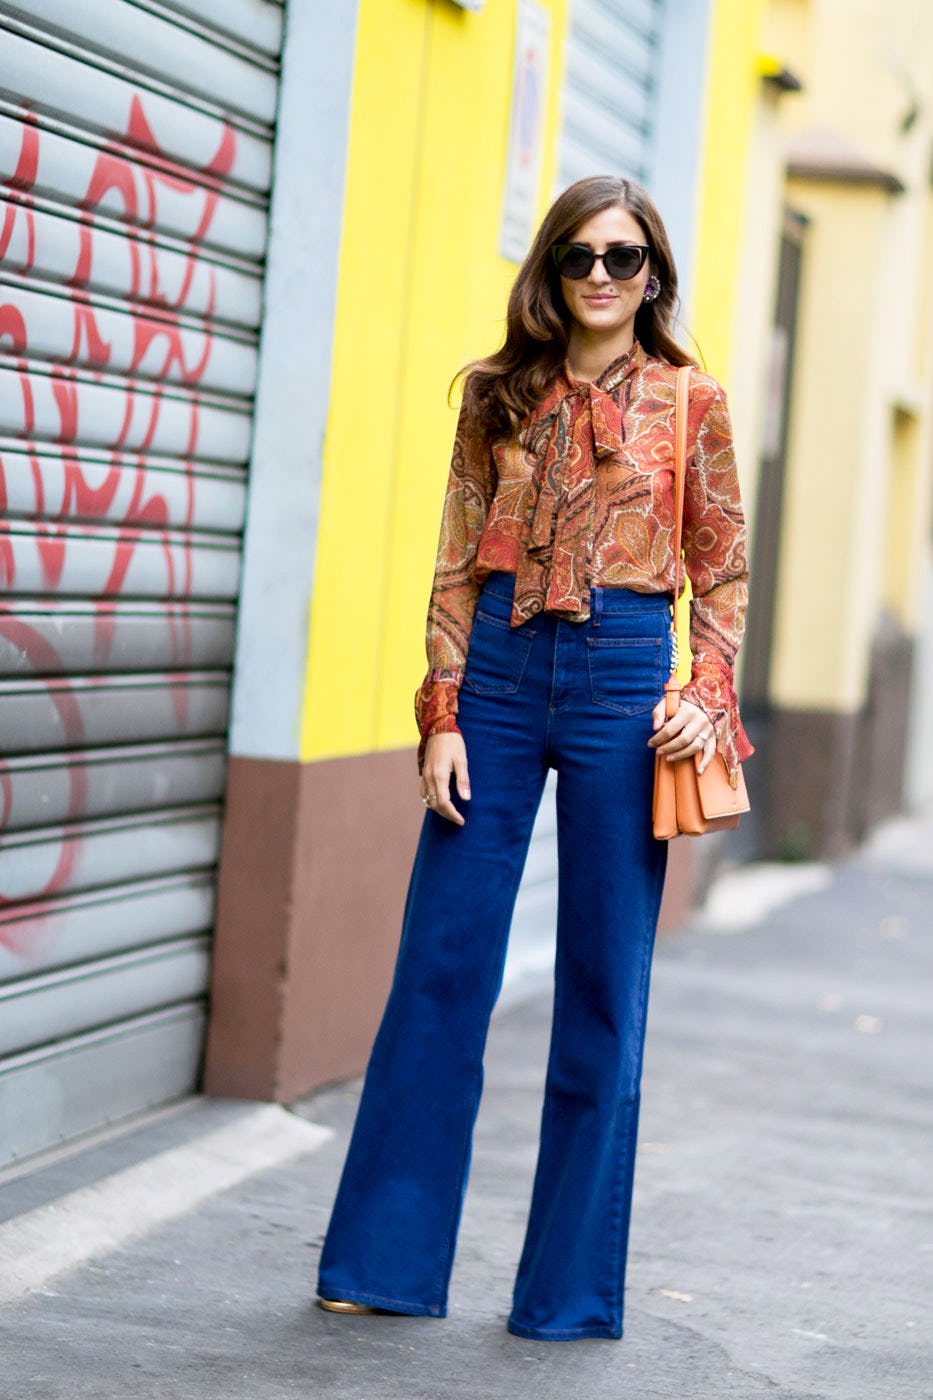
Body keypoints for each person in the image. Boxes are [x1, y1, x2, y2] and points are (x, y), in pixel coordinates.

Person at [316, 174, 753, 1342]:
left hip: (621, 681)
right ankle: (384, 1262)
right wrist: (442, 712)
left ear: (653, 273)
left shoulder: (692, 402)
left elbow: (722, 569)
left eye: (622, 258)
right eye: (578, 257)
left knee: (605, 988)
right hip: (500, 679)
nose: (600, 277)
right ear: (550, 272)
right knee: (441, 970)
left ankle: (563, 1292)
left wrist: (702, 693)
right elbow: (457, 556)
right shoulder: (495, 396)